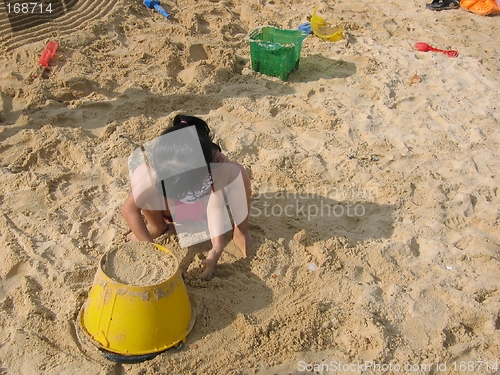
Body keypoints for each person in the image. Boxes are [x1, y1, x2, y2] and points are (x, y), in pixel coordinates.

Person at [122, 114, 252, 280]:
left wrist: (216, 249)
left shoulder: (217, 164)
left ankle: (241, 232)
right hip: (170, 210)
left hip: (204, 209)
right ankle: (156, 226)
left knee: (237, 171)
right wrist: (152, 250)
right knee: (141, 176)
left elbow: (215, 207)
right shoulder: (155, 174)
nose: (217, 155)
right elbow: (129, 210)